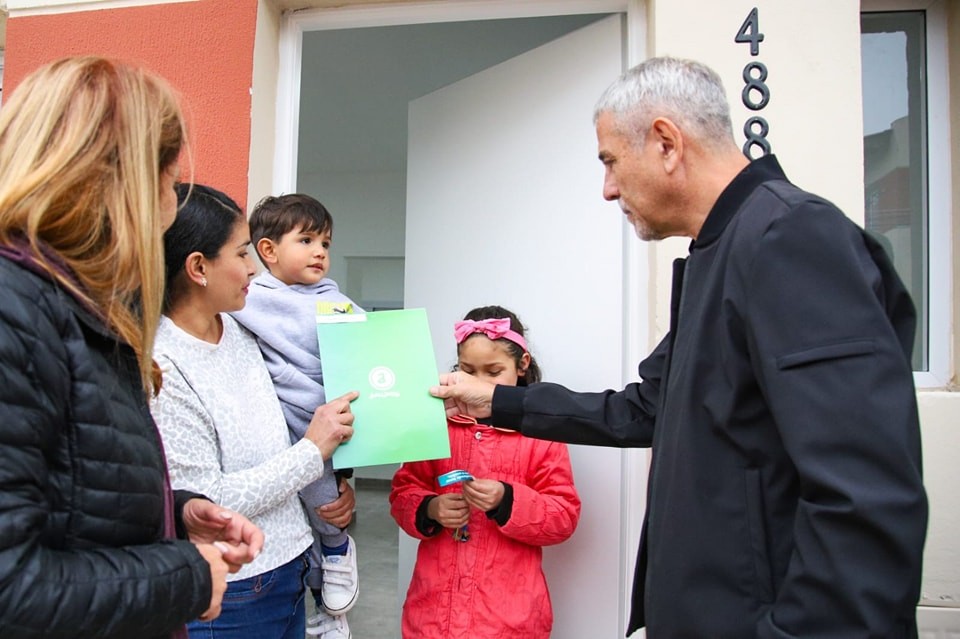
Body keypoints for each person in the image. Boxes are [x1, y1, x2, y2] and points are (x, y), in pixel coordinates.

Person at [430, 57, 927, 637]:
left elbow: (864, 499)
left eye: (611, 161)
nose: (608, 188)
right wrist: (495, 402)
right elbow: (644, 409)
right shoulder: (721, 253)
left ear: (666, 142)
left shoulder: (791, 238)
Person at [0, 56, 263, 638]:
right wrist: (184, 575)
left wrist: (173, 513)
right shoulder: (15, 313)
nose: (170, 208)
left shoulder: (78, 310)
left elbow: (65, 492)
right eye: (170, 183)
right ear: (127, 182)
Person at [150, 184, 357, 639]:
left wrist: (336, 490)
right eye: (243, 253)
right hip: (234, 593)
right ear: (198, 268)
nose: (253, 268)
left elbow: (294, 411)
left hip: (292, 567)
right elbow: (206, 499)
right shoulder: (162, 366)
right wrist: (311, 451)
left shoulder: (246, 329)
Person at [392, 305, 581, 639]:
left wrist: (507, 500)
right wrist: (430, 508)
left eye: (493, 372)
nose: (478, 384)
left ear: (521, 365)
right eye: (468, 371)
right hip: (433, 619)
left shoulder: (541, 434)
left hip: (509, 623)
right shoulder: (438, 426)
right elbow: (404, 490)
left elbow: (563, 517)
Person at [230, 194, 362, 634]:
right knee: (299, 505)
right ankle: (325, 595)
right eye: (306, 240)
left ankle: (338, 552)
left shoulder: (335, 300)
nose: (320, 251)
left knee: (325, 499)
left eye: (325, 242)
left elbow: (372, 344)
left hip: (325, 416)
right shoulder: (251, 297)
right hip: (280, 416)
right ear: (267, 251)